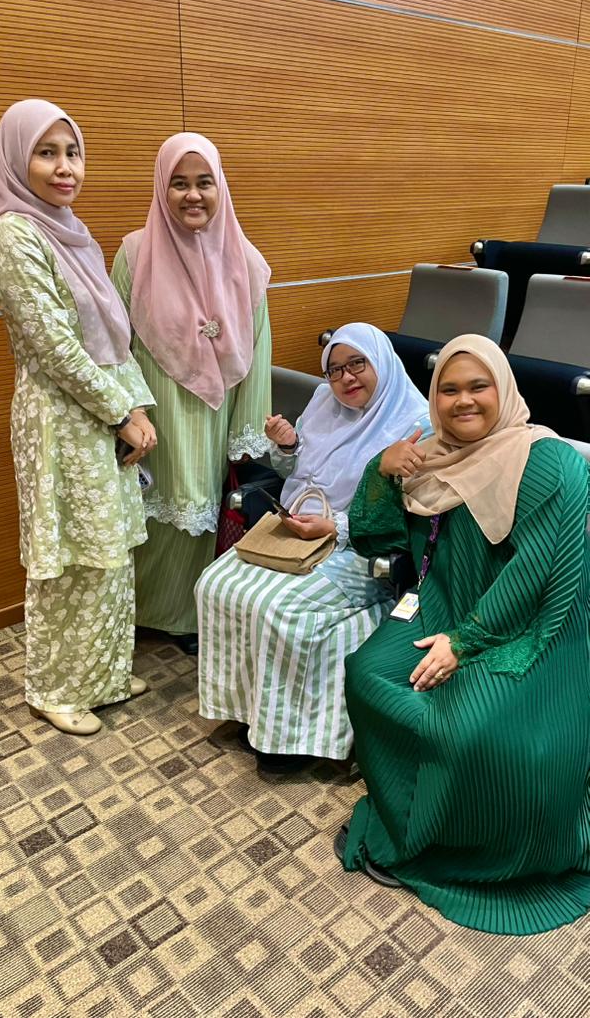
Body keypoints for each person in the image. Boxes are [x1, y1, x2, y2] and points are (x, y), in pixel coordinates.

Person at [336, 334, 590, 935]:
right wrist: (382, 471)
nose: (463, 401)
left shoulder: (552, 463)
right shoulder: (431, 456)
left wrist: (464, 643)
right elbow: (375, 538)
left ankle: (473, 850)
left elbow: (536, 573)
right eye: (448, 389)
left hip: (534, 625)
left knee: (472, 731)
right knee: (369, 675)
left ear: (505, 389)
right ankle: (408, 821)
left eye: (479, 386)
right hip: (442, 604)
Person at [0, 99, 157, 736]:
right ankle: (54, 688)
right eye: (47, 152)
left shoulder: (70, 229)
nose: (65, 168)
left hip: (103, 412)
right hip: (60, 419)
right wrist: (120, 413)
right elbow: (55, 348)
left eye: (73, 152)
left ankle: (103, 675)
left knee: (108, 553)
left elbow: (113, 335)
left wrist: (136, 407)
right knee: (68, 558)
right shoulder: (14, 235)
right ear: (16, 159)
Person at [195, 323, 432, 772]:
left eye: (357, 363)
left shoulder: (415, 424)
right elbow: (295, 473)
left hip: (360, 548)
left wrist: (335, 527)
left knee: (281, 608)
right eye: (334, 369)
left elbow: (407, 519)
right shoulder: (325, 402)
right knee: (215, 584)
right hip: (299, 529)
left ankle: (288, 739)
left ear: (381, 361)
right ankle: (248, 711)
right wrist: (287, 446)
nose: (346, 378)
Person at [111, 133, 271, 652]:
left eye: (205, 182)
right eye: (179, 183)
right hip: (153, 410)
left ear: (221, 187)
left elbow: (258, 347)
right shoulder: (135, 253)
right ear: (162, 188)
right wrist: (126, 412)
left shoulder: (246, 260)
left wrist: (247, 427)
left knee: (200, 510)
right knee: (151, 507)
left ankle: (186, 616)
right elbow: (116, 343)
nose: (193, 195)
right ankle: (140, 610)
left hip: (213, 410)